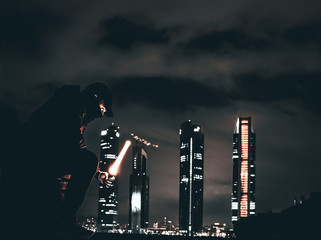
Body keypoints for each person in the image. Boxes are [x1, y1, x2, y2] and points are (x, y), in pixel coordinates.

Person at [8, 82, 115, 239]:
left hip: (41, 154)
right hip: (34, 154)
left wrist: (97, 173)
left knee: (86, 161)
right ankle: (65, 221)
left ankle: (59, 219)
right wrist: (95, 170)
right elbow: (72, 141)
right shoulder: (73, 104)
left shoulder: (74, 104)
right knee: (88, 160)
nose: (101, 115)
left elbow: (71, 145)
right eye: (102, 109)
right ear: (95, 97)